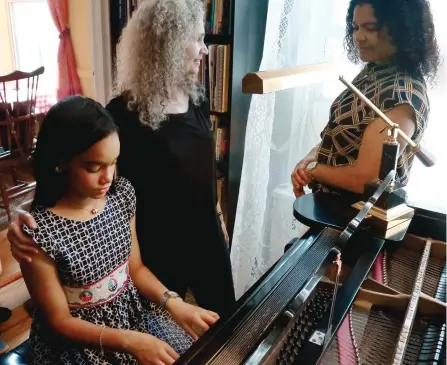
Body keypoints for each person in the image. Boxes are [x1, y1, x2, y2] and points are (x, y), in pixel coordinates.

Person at [8, 0, 235, 316]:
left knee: (227, 326)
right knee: (164, 336)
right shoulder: (123, 115)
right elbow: (77, 173)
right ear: (166, 44)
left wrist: (217, 215)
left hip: (206, 238)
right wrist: (24, 219)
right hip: (157, 249)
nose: (204, 50)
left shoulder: (196, 96)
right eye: (196, 39)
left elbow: (203, 170)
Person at [19, 96, 218, 365]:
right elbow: (59, 321)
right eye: (94, 167)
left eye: (113, 162)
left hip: (131, 318)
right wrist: (129, 341)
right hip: (79, 344)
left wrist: (174, 303)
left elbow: (135, 269)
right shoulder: (37, 232)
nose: (108, 177)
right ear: (61, 162)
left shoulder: (122, 195)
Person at [291, 0, 440, 196]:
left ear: (401, 30)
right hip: (329, 209)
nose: (358, 37)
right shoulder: (375, 71)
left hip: (358, 219)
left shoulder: (403, 95)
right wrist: (308, 161)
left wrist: (314, 170)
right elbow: (341, 134)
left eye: (370, 28)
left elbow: (367, 180)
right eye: (355, 27)